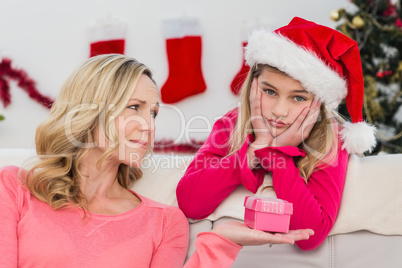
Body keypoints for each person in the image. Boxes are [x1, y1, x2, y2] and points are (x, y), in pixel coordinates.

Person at [0, 54, 313, 268]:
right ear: (90, 112)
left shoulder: (164, 222)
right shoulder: (14, 188)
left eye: (153, 113)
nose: (149, 125)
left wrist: (222, 242)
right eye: (134, 107)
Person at [176, 17, 377, 251]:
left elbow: (310, 236)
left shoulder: (329, 139)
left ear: (319, 104)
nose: (279, 111)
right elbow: (190, 203)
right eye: (269, 91)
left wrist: (277, 154)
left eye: (298, 97)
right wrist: (254, 150)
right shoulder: (232, 123)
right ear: (253, 84)